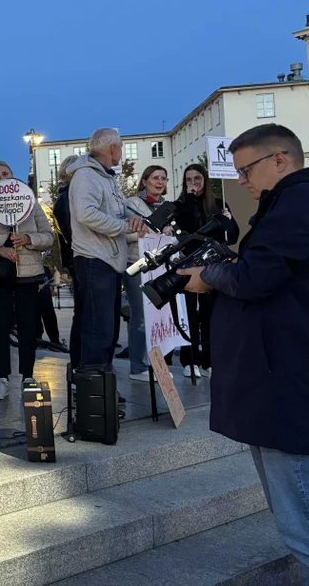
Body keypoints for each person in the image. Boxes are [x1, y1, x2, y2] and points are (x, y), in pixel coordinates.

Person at [180, 124, 309, 575]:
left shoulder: (295, 204)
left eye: (246, 169)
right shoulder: (286, 204)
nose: (241, 181)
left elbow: (256, 279)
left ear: (280, 159)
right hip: (280, 376)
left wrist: (210, 276)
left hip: (284, 384)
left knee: (299, 517)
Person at [0, 161, 54, 400]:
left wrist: (28, 238)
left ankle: (27, 376)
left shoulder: (31, 204)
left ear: (13, 177)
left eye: (5, 174)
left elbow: (48, 237)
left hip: (28, 275)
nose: (1, 178)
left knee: (28, 329)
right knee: (1, 329)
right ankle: (2, 379)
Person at [67, 128, 148, 374]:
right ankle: (94, 387)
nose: (122, 152)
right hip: (94, 259)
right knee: (97, 329)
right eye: (121, 147)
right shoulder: (85, 176)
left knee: (108, 328)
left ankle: (103, 385)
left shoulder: (107, 178)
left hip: (109, 261)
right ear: (112, 148)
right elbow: (86, 213)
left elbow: (121, 208)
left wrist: (134, 217)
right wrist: (124, 227)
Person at [174, 164, 239, 378]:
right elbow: (176, 233)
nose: (193, 184)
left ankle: (209, 359)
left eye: (197, 179)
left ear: (205, 180)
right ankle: (189, 359)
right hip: (189, 266)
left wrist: (228, 220)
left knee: (210, 315)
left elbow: (233, 236)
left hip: (212, 266)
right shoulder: (180, 206)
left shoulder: (218, 205)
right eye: (189, 180)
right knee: (189, 315)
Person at [123, 165, 170, 382]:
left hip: (161, 266)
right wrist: (155, 231)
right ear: (144, 181)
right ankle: (138, 367)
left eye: (163, 178)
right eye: (155, 178)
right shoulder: (132, 204)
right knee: (140, 317)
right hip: (137, 264)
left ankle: (157, 365)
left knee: (159, 317)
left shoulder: (168, 207)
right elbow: (126, 233)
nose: (160, 182)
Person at [53, 155, 82, 367]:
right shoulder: (66, 198)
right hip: (80, 258)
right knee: (82, 315)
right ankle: (79, 363)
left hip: (78, 257)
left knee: (83, 314)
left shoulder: (71, 196)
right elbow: (70, 233)